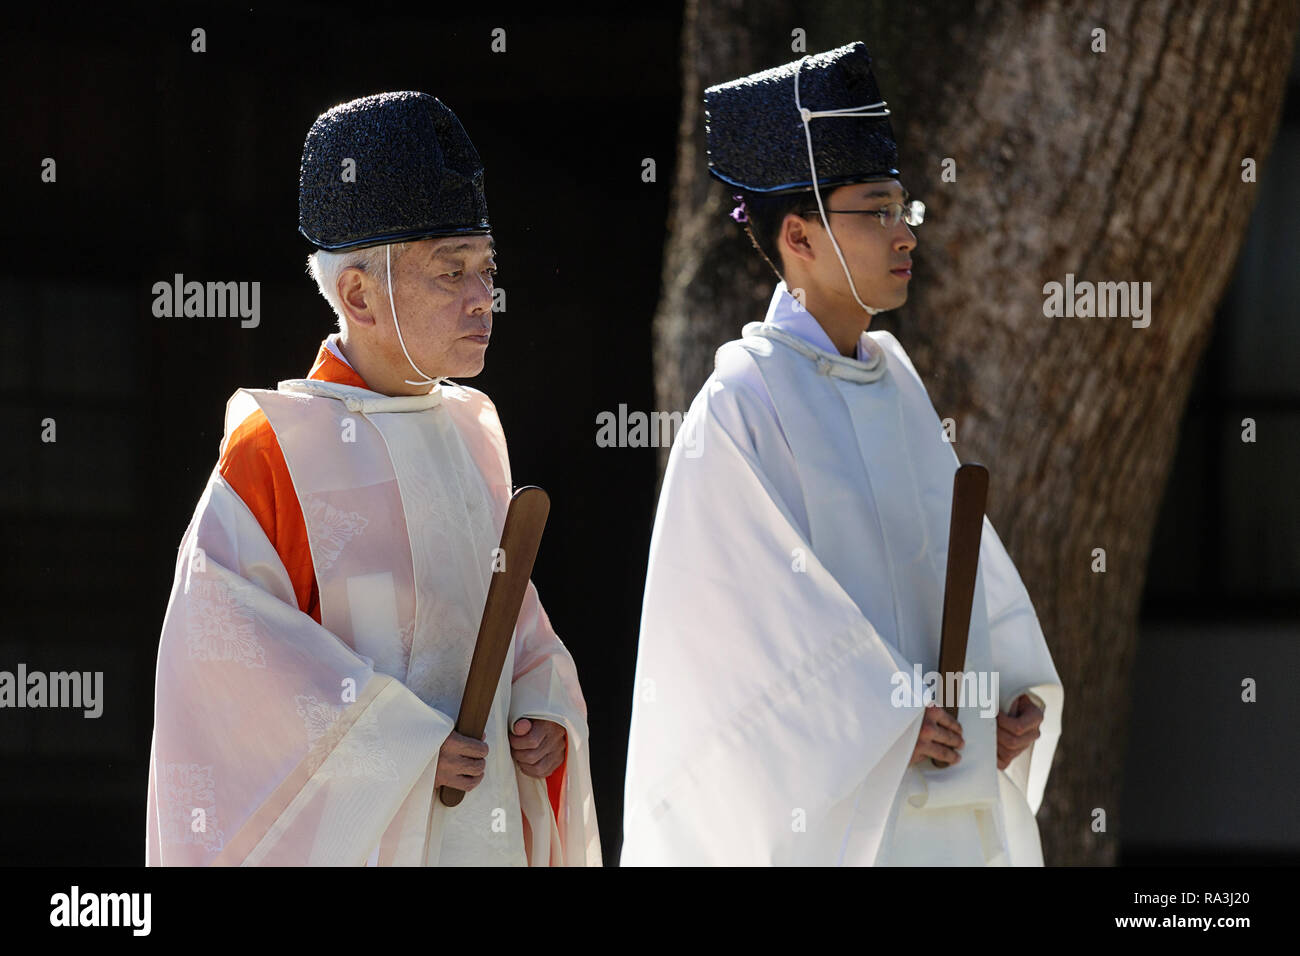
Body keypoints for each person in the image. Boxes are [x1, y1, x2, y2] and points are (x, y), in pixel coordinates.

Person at [621, 42, 1062, 866]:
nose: (904, 235)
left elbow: (956, 573)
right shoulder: (741, 404)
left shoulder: (894, 379)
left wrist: (1003, 696)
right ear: (799, 235)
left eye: (905, 209)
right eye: (875, 211)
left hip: (939, 793)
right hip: (831, 812)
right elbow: (735, 641)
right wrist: (889, 710)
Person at [146, 91, 601, 866]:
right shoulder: (273, 453)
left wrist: (544, 708)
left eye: (485, 268)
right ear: (358, 294)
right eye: (449, 271)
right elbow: (227, 690)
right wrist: (408, 748)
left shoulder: (470, 434)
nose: (481, 297)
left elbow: (516, 625)